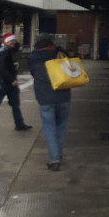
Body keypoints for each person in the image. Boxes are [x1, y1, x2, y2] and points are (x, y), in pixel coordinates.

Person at [28, 36, 71, 171]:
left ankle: (55, 159)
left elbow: (33, 74)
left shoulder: (33, 57)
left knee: (49, 128)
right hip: (64, 96)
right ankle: (58, 154)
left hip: (45, 98)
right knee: (61, 127)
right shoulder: (61, 53)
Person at [0, 33, 32, 132]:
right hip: (3, 82)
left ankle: (19, 124)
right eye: (11, 41)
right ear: (6, 42)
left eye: (14, 41)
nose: (14, 42)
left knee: (15, 104)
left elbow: (16, 48)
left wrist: (14, 43)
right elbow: (2, 69)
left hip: (10, 82)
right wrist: (12, 80)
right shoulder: (2, 53)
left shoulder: (9, 51)